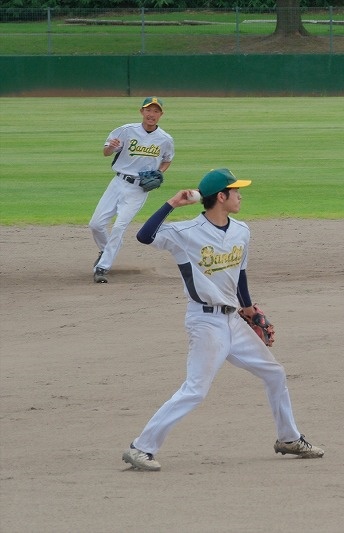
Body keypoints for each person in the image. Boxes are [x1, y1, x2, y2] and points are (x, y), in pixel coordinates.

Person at [122, 168, 323, 471]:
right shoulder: (185, 233)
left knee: (275, 374)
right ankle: (141, 447)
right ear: (220, 196)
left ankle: (289, 438)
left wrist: (249, 309)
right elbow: (144, 236)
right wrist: (172, 203)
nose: (240, 196)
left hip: (233, 322)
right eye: (235, 191)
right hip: (205, 322)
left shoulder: (241, 230)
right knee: (195, 390)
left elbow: (239, 275)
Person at [89, 97, 174, 284]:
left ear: (161, 114)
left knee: (119, 227)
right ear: (142, 112)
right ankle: (105, 250)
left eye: (156, 111)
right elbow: (106, 152)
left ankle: (102, 267)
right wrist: (110, 148)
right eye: (148, 110)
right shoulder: (126, 130)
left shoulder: (165, 139)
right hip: (117, 183)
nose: (151, 114)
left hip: (139, 189)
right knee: (95, 224)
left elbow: (167, 159)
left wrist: (160, 172)